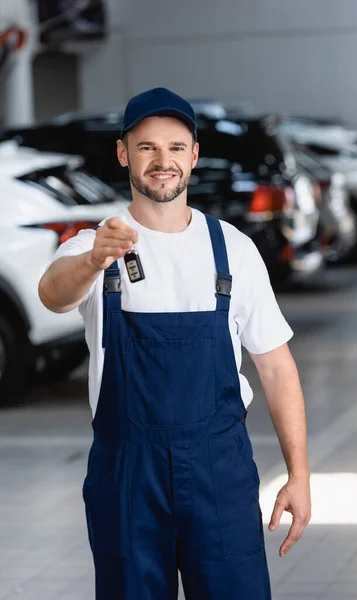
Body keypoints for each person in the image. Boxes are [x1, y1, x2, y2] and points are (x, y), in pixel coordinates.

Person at [39, 87, 311, 599]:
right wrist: (94, 261)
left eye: (175, 147)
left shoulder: (234, 250)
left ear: (194, 155)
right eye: (146, 147)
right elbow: (53, 295)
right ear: (124, 154)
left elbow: (276, 367)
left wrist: (299, 473)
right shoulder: (94, 244)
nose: (162, 161)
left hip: (219, 474)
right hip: (127, 475)